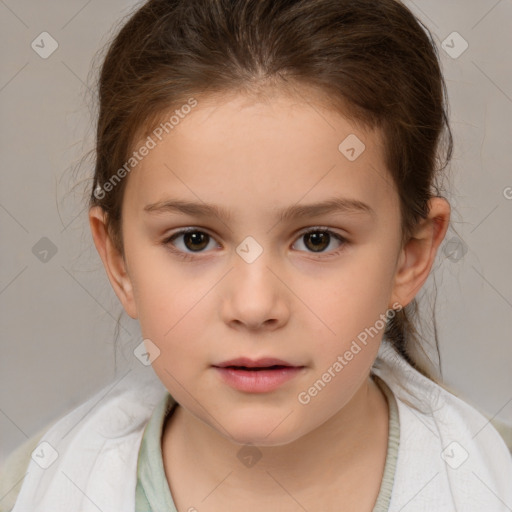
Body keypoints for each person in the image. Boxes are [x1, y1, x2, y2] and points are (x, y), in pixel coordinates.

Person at [1, 0, 511, 511]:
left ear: (410, 256)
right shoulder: (28, 492)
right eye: (194, 240)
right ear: (118, 259)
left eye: (317, 239)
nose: (253, 305)